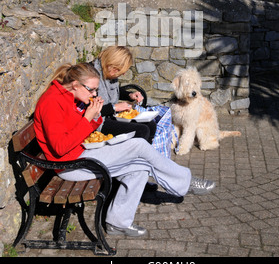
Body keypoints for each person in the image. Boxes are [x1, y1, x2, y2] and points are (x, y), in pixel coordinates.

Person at [34, 62, 216, 237]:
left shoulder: (67, 96)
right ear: (75, 85)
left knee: (139, 167)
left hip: (81, 153)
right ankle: (185, 181)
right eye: (91, 89)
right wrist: (88, 117)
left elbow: (77, 129)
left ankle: (117, 223)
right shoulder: (51, 101)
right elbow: (60, 148)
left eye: (96, 90)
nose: (94, 94)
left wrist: (94, 116)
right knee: (139, 146)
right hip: (71, 165)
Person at [94, 46, 157, 143]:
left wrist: (130, 95)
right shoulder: (91, 75)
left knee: (151, 125)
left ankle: (144, 154)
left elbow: (113, 92)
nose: (123, 74)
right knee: (142, 131)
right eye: (120, 70)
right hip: (98, 121)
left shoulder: (107, 71)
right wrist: (114, 107)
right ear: (112, 65)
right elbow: (89, 109)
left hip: (110, 115)